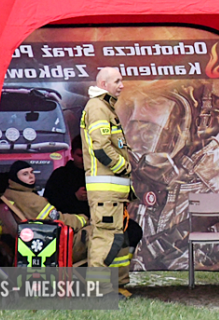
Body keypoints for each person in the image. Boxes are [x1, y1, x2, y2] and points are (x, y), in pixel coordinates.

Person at [81, 67, 138, 295]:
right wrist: (122, 167)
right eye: (117, 81)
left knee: (119, 239)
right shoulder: (97, 107)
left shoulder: (106, 107)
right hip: (106, 191)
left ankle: (117, 285)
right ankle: (98, 290)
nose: (122, 85)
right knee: (105, 237)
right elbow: (100, 146)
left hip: (115, 193)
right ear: (104, 84)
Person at [2, 161, 89, 263]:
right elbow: (59, 221)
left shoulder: (9, 194)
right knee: (92, 232)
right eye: (25, 174)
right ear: (15, 178)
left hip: (32, 248)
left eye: (31, 172)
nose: (31, 176)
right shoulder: (32, 201)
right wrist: (83, 219)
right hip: (52, 249)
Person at [44, 136, 90, 216]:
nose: (83, 160)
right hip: (67, 222)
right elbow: (49, 202)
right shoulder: (60, 175)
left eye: (87, 156)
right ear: (72, 153)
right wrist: (74, 196)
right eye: (80, 155)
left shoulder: (99, 175)